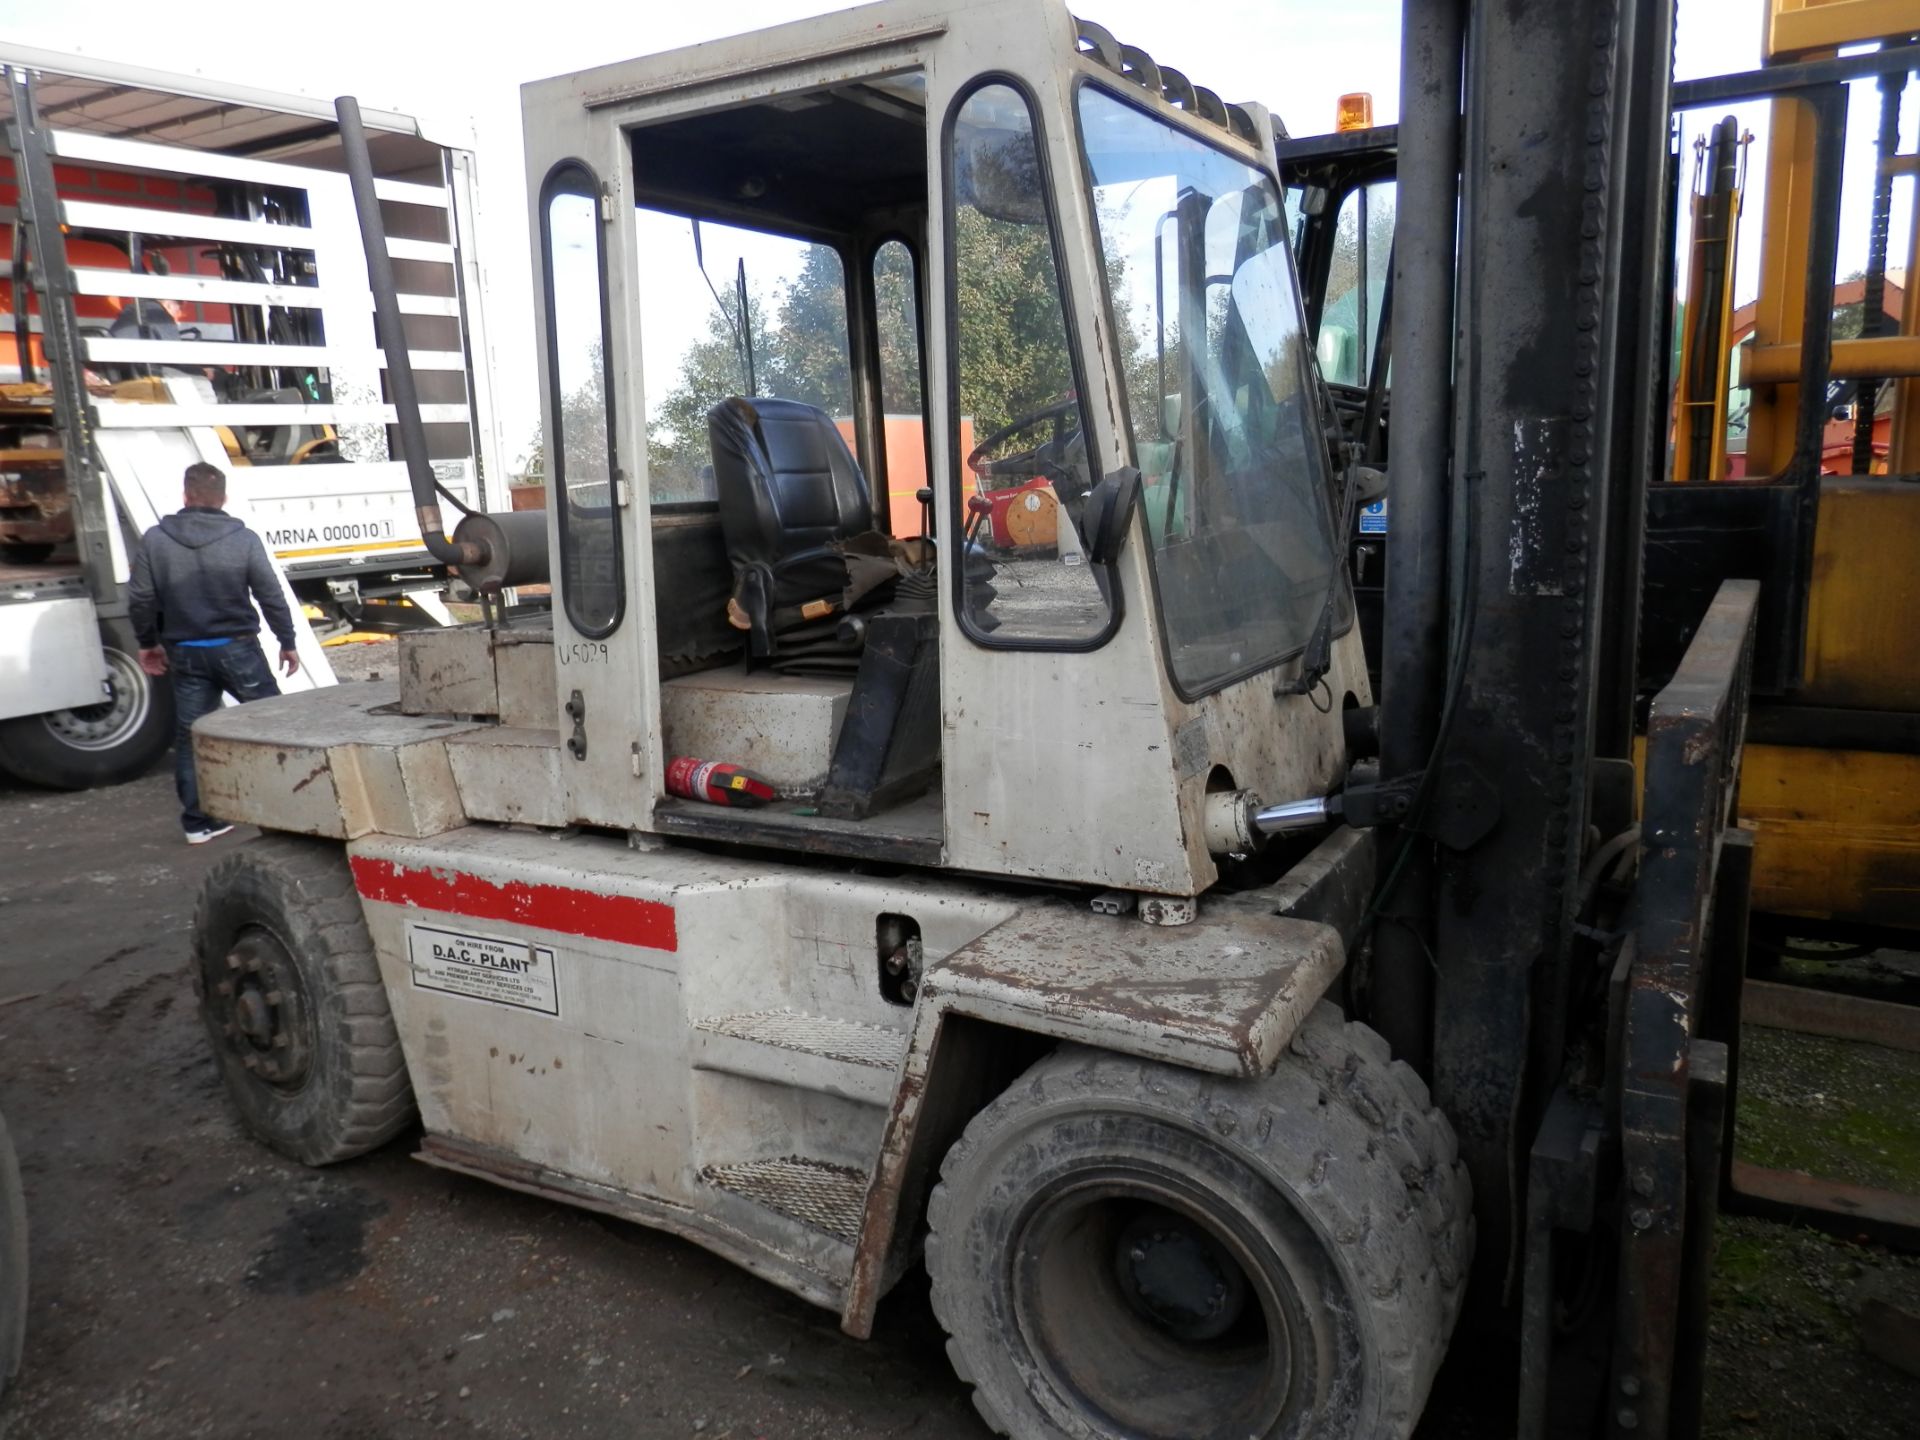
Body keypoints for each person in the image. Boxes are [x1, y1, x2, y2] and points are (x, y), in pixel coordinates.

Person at [128, 462, 300, 844]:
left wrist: (147, 642)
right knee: (276, 728)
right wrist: (286, 641)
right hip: (238, 649)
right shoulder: (244, 539)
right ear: (223, 498)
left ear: (185, 496)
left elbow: (140, 597)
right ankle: (291, 814)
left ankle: (198, 823)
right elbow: (270, 594)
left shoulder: (156, 540)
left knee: (192, 735)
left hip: (186, 653)